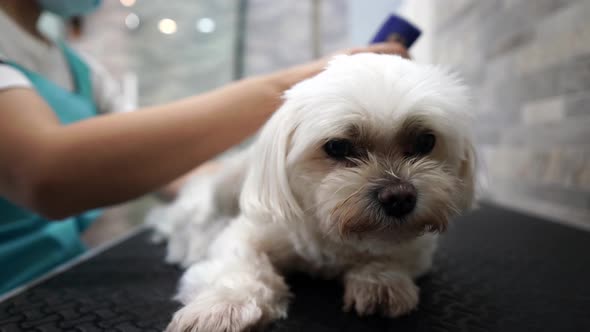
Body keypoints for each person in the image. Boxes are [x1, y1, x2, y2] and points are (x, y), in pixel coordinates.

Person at [0, 0, 409, 294]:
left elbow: (161, 166)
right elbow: (44, 175)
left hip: (68, 272)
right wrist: (291, 89)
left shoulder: (82, 70)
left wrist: (247, 181)